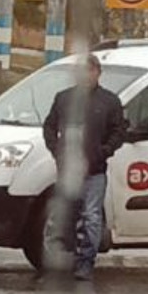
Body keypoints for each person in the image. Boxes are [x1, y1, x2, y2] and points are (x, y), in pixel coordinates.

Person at [45, 54, 128, 282]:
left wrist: (104, 151)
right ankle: (62, 259)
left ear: (97, 73)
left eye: (90, 71)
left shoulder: (109, 101)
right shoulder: (64, 99)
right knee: (64, 215)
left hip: (94, 170)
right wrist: (57, 151)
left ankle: (86, 262)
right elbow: (49, 127)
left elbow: (118, 131)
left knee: (91, 217)